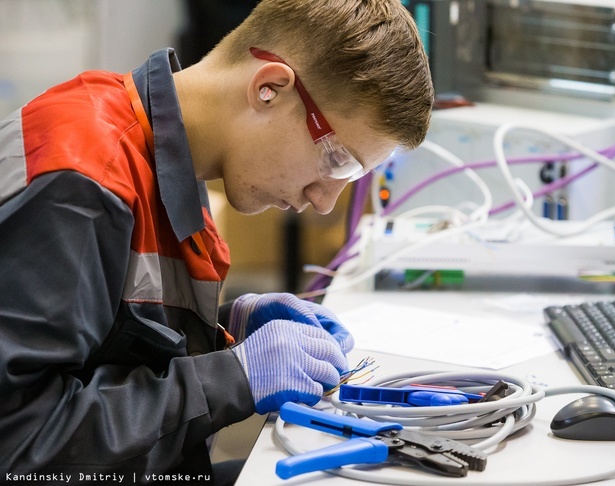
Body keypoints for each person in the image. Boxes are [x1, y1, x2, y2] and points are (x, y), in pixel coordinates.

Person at [0, 0, 433, 484]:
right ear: (269, 88)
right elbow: (19, 443)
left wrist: (225, 331)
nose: (326, 200)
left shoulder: (167, 154)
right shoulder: (83, 182)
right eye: (336, 161)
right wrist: (231, 376)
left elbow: (100, 343)